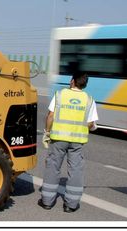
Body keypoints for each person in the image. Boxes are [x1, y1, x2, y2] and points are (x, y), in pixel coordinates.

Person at [38, 71, 98, 213]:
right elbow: (91, 123)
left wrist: (47, 132)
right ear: (84, 84)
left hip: (58, 139)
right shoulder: (89, 99)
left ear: (72, 81)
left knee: (53, 167)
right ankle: (70, 205)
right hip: (77, 142)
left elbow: (51, 116)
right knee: (76, 170)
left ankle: (47, 201)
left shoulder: (60, 95)